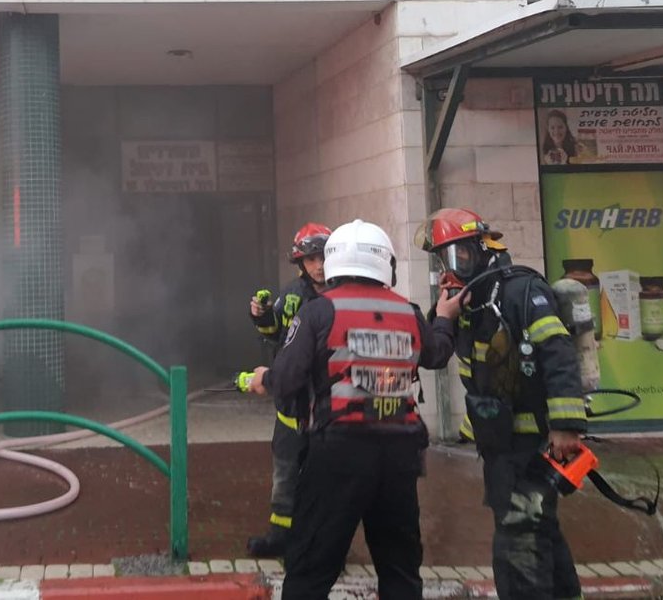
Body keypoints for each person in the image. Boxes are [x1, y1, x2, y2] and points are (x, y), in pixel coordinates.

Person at [247, 219, 458, 599]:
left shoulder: (318, 312)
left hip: (337, 452)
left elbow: (288, 378)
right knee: (400, 569)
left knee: (310, 567)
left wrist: (266, 377)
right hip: (400, 456)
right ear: (385, 264)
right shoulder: (408, 312)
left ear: (333, 262)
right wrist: (444, 317)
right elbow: (438, 354)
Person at [415, 208, 587, 600]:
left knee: (518, 547)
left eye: (457, 255)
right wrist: (444, 311)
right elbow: (434, 347)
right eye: (444, 258)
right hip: (502, 447)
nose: (451, 266)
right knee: (538, 531)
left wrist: (565, 424)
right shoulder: (473, 300)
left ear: (482, 248)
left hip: (533, 446)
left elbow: (557, 353)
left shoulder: (521, 291)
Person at [243, 222, 330, 558]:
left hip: (326, 409)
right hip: (292, 408)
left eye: (323, 257)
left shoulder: (343, 293)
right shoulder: (292, 295)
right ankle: (280, 537)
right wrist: (262, 314)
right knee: (285, 475)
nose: (319, 265)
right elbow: (273, 332)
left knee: (324, 483)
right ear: (301, 263)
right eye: (311, 259)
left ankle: (323, 547)